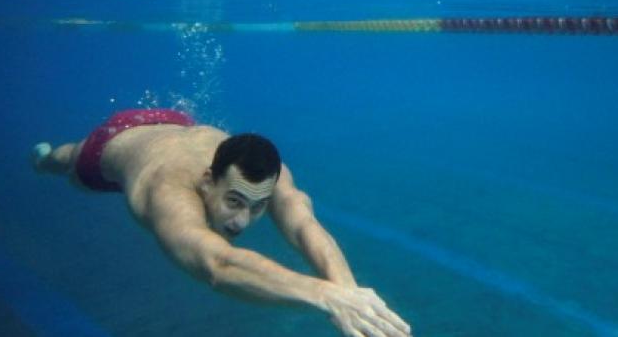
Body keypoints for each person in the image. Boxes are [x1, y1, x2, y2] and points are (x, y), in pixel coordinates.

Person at [31, 108, 411, 337]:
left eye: (257, 206)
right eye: (234, 202)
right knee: (64, 162)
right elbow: (218, 265)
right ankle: (46, 156)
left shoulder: (265, 175)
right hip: (113, 143)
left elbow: (303, 225)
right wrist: (324, 295)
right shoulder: (168, 191)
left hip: (179, 124)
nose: (242, 221)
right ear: (207, 181)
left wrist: (349, 296)